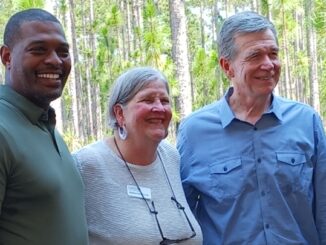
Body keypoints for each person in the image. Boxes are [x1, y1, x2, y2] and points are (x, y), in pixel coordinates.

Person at [177, 11, 326, 245]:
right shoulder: (194, 132)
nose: (268, 64)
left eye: (273, 53)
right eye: (255, 55)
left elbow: (323, 208)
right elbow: (183, 217)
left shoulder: (306, 121)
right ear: (228, 67)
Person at [73, 66, 203, 244]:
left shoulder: (170, 156)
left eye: (164, 101)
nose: (159, 108)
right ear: (120, 113)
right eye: (148, 100)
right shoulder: (87, 164)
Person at [0, 8, 88, 245]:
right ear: (7, 57)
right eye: (38, 49)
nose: (55, 60)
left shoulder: (45, 125)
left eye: (63, 52)